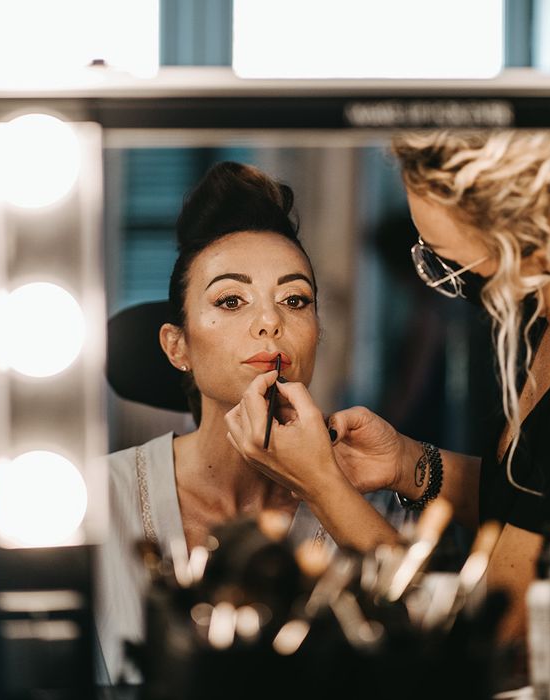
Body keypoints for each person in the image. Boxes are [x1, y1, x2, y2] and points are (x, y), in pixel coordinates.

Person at [225, 130, 550, 658]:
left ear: (523, 238)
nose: (447, 279)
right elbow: (544, 497)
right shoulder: (549, 305)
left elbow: (493, 641)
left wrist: (320, 485)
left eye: (446, 260)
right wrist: (408, 463)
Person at [95, 161, 407, 685]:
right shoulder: (97, 498)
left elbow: (424, 663)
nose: (271, 321)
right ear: (177, 346)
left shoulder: (369, 507)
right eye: (231, 300)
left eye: (295, 300)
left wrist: (326, 486)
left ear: (317, 334)